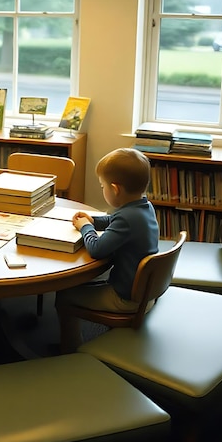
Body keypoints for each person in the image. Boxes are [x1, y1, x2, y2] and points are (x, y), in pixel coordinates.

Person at [55, 147, 159, 353]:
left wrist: (86, 227)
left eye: (102, 186)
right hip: (147, 292)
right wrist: (94, 220)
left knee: (64, 295)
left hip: (127, 299)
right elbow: (115, 220)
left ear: (115, 189)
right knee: (85, 284)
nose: (102, 190)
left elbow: (96, 249)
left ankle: (69, 349)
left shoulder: (127, 219)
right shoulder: (143, 207)